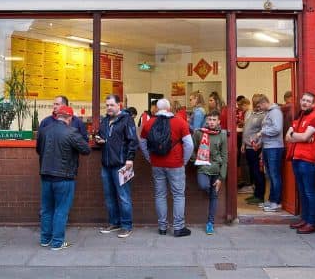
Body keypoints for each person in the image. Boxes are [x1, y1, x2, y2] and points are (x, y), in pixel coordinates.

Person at [36, 105, 91, 250]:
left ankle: (45, 239)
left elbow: (38, 150)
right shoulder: (71, 132)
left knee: (47, 209)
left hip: (46, 174)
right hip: (64, 176)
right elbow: (86, 150)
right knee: (61, 210)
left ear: (57, 116)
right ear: (70, 118)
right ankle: (57, 242)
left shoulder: (44, 130)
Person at [139, 98, 194, 237]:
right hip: (176, 164)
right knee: (178, 195)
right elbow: (189, 144)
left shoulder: (148, 123)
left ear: (157, 109)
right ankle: (178, 227)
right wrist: (184, 160)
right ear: (169, 109)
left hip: (157, 164)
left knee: (160, 195)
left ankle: (162, 227)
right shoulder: (180, 122)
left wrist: (149, 157)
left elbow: (142, 142)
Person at [95, 94, 138, 239]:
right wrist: (99, 139)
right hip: (106, 164)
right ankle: (114, 223)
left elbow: (133, 140)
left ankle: (127, 226)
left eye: (111, 105)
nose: (108, 108)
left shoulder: (127, 119)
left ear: (119, 105)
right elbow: (101, 135)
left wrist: (130, 159)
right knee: (109, 197)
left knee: (124, 196)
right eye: (107, 105)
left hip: (121, 164)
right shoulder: (105, 120)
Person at [285, 92, 315, 233]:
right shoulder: (299, 116)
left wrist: (297, 136)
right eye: (303, 100)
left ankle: (312, 223)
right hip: (297, 158)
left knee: (309, 192)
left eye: (308, 101)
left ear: (313, 104)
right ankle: (305, 219)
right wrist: (299, 137)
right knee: (302, 191)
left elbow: (303, 136)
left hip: (308, 160)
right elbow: (287, 137)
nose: (305, 103)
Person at [192, 110, 227, 235]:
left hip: (216, 169)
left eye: (214, 120)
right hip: (203, 167)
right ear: (206, 120)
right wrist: (196, 159)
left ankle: (210, 223)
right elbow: (192, 148)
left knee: (214, 196)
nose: (211, 122)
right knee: (204, 185)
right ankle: (211, 192)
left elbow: (224, 157)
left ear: (218, 121)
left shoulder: (222, 135)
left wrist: (221, 178)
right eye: (210, 119)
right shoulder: (199, 133)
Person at [253, 95, 284, 213]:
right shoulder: (267, 113)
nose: (259, 108)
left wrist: (261, 133)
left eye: (259, 105)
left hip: (275, 147)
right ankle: (271, 200)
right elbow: (266, 131)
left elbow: (277, 129)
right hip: (268, 147)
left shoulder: (275, 112)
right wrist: (260, 143)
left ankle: (276, 202)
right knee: (270, 175)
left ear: (264, 102)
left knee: (275, 175)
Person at [242, 94, 266, 205]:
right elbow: (246, 129)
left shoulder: (264, 115)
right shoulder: (249, 113)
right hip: (247, 146)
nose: (256, 105)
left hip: (255, 147)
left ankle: (260, 195)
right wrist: (243, 144)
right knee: (252, 171)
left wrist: (260, 146)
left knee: (258, 172)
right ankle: (255, 193)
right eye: (254, 102)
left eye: (257, 103)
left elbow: (263, 133)